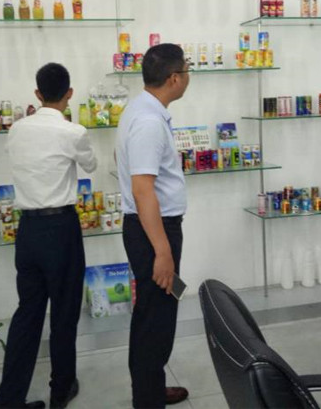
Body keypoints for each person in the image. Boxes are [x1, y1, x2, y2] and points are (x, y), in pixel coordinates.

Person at [0, 63, 97, 409]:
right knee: (64, 314)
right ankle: (60, 390)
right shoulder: (73, 132)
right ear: (70, 94)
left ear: (37, 94)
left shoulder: (16, 130)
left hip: (27, 230)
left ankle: (9, 400)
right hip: (61, 229)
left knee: (27, 314)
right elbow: (91, 166)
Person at [115, 43, 191, 409]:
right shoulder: (148, 121)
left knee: (155, 312)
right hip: (154, 232)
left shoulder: (143, 109)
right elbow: (142, 189)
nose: (188, 77)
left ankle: (150, 388)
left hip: (152, 228)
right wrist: (163, 251)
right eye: (187, 71)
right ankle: (148, 400)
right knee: (155, 320)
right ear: (174, 78)